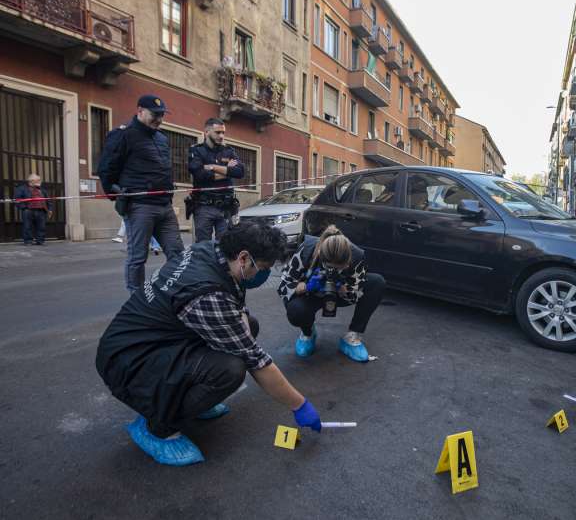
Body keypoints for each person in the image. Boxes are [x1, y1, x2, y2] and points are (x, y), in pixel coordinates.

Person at [96, 222, 321, 466]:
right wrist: (299, 404)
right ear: (244, 258)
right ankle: (156, 425)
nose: (263, 274)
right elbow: (256, 362)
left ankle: (185, 397)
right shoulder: (206, 293)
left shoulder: (210, 251)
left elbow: (234, 305)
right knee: (230, 370)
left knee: (248, 326)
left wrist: (242, 322)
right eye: (263, 268)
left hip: (151, 340)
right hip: (128, 362)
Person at [98, 94, 184, 292]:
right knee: (138, 258)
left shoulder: (162, 138)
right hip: (140, 206)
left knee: (178, 254)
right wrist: (117, 195)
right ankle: (136, 300)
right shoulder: (123, 135)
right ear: (140, 111)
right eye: (155, 115)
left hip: (164, 205)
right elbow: (106, 168)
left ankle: (176, 292)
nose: (160, 119)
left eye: (162, 115)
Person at [278, 225, 385, 362]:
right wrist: (307, 286)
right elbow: (283, 287)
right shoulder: (307, 250)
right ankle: (308, 333)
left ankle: (352, 336)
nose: (335, 270)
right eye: (331, 267)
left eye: (341, 267)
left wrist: (342, 287)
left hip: (339, 295)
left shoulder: (357, 256)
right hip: (311, 295)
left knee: (377, 282)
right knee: (296, 310)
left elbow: (354, 294)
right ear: (322, 259)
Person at [188, 118, 244, 242]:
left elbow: (240, 172)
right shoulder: (196, 150)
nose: (221, 136)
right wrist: (227, 171)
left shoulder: (229, 151)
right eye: (217, 132)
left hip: (226, 207)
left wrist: (213, 167)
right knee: (203, 247)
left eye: (223, 132)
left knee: (227, 246)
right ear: (207, 132)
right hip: (204, 206)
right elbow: (199, 174)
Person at [13, 174, 53, 245]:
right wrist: (24, 208)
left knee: (41, 227)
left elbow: (48, 200)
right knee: (27, 226)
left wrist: (50, 209)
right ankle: (28, 241)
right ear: (31, 181)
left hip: (41, 210)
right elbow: (17, 200)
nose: (40, 181)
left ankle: (40, 241)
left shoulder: (42, 190)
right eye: (38, 180)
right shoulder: (22, 188)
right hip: (28, 210)